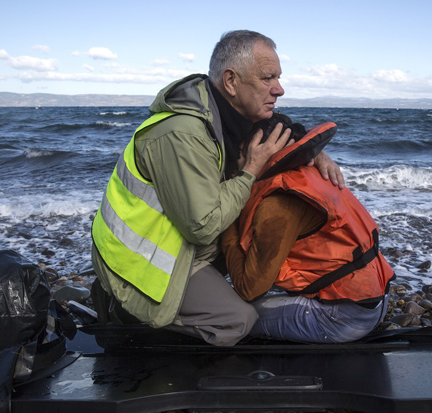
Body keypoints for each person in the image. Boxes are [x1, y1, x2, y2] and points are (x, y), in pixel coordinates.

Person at [90, 30, 344, 347]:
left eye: (278, 77)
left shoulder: (232, 113)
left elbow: (285, 130)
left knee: (259, 243)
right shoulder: (182, 134)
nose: (279, 89)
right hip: (139, 261)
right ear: (231, 82)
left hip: (179, 242)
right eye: (267, 78)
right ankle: (122, 310)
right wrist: (251, 169)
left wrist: (315, 155)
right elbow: (204, 227)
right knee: (239, 321)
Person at [221, 114, 396, 343]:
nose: (236, 164)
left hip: (342, 316)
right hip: (372, 300)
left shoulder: (277, 205)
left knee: (232, 316)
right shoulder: (306, 172)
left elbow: (249, 289)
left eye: (243, 153)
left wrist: (228, 222)